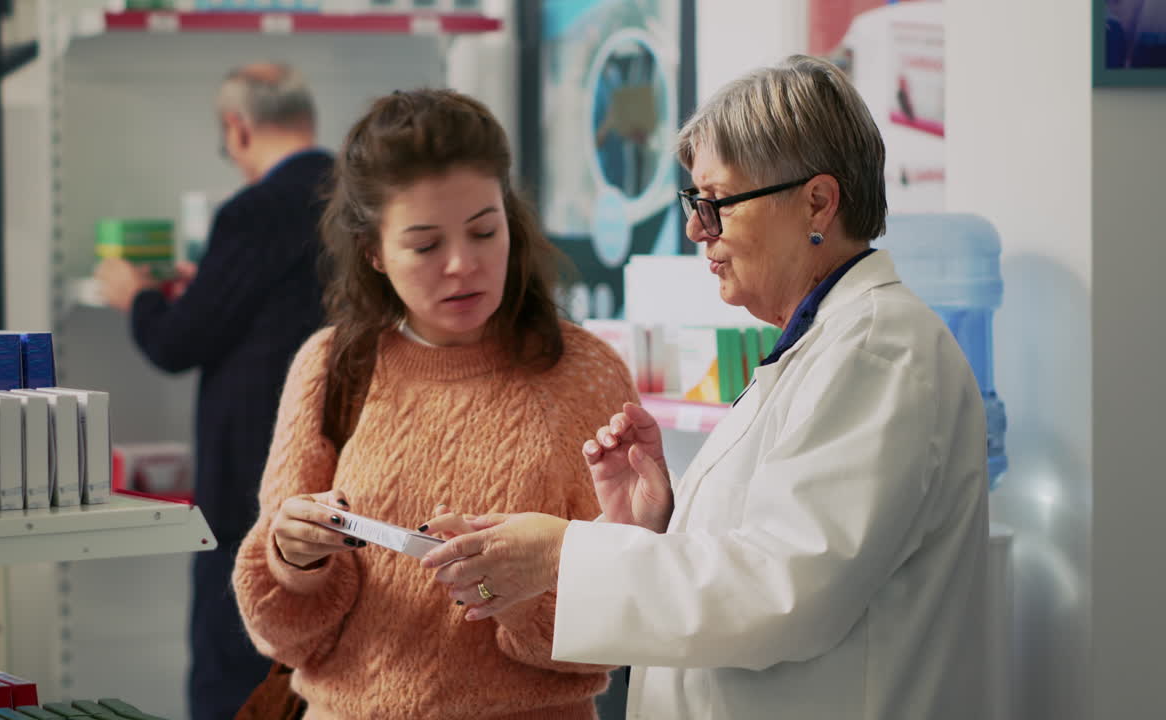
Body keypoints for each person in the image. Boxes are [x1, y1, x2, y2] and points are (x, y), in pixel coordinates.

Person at [420, 55, 990, 720]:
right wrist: (660, 523)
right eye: (695, 203)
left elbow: (784, 593)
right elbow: (771, 555)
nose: (697, 228)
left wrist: (563, 554)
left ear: (817, 201)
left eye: (716, 202)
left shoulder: (878, 350)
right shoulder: (824, 343)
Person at [229, 88, 640, 720]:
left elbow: (618, 615)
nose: (462, 265)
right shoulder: (332, 366)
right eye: (424, 245)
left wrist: (512, 591)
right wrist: (292, 559)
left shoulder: (582, 374)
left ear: (511, 219)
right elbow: (283, 635)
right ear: (373, 251)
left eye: (484, 230)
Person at [93, 62, 334, 720]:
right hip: (338, 485)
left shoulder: (252, 212)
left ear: (238, 128)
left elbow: (176, 344)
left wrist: (135, 295)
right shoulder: (359, 199)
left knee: (233, 679)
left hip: (246, 498)